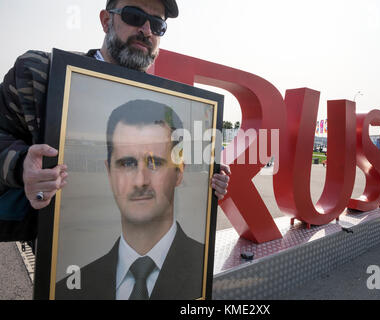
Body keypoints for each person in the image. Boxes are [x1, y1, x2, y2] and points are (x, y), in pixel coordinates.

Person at [0, 0, 230, 238]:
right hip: (65, 252)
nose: (147, 30)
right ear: (106, 20)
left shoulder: (168, 108)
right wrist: (20, 164)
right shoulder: (40, 75)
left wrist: (205, 177)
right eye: (134, 16)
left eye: (157, 24)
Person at [56, 100, 206, 299]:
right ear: (109, 172)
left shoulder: (205, 268)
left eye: (155, 163)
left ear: (179, 172)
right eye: (127, 163)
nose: (140, 181)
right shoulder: (66, 290)